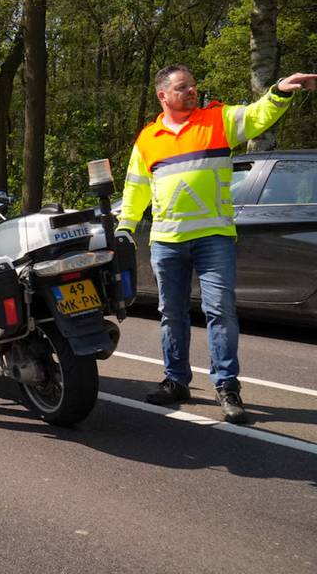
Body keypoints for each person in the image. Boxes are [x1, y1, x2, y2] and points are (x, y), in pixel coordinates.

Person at [117, 65, 317, 424]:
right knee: (171, 314)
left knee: (220, 312)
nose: (192, 91)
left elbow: (257, 115)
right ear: (163, 95)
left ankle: (227, 386)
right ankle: (176, 381)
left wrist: (280, 91)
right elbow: (135, 188)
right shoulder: (148, 139)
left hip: (214, 238)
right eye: (183, 87)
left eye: (194, 85)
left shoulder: (218, 120)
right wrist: (125, 226)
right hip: (167, 241)